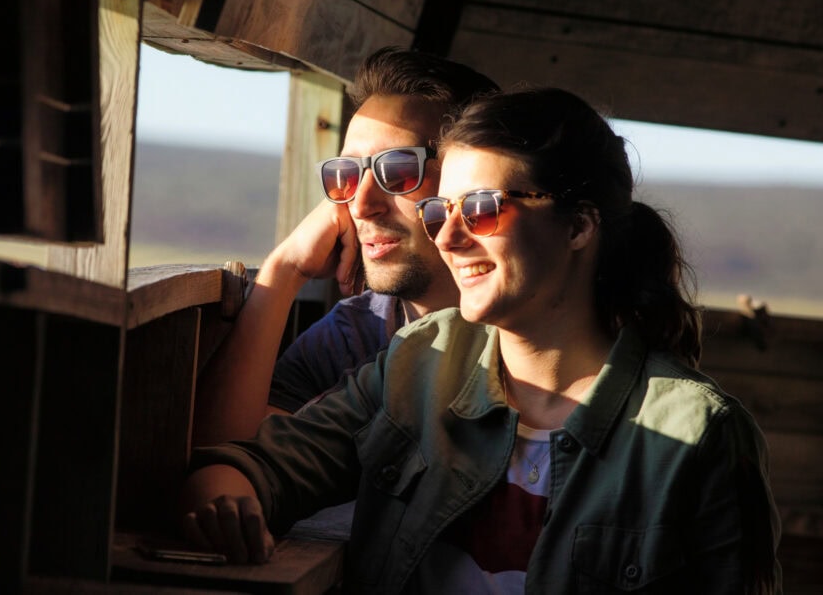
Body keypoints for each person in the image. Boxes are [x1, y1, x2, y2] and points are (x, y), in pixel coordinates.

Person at [178, 87, 782, 593]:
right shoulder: (420, 363)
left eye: (483, 209)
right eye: (440, 212)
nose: (449, 237)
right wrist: (226, 500)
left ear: (578, 225)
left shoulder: (699, 438)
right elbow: (247, 466)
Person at [192, 47, 499, 446]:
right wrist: (285, 269)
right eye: (347, 175)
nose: (361, 204)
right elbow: (225, 453)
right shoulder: (355, 333)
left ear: (470, 179)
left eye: (399, 170)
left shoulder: (530, 335)